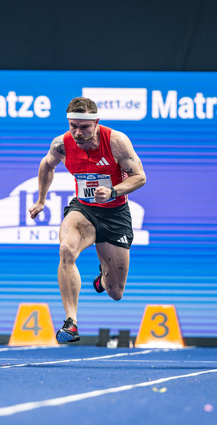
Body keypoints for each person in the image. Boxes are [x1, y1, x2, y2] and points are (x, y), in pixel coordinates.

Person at [28, 97, 147, 343]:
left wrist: (113, 191)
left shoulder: (116, 142)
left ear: (96, 122)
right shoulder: (61, 144)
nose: (78, 133)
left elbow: (140, 177)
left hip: (115, 214)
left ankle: (103, 277)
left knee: (115, 292)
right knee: (66, 250)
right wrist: (41, 200)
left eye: (84, 127)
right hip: (84, 210)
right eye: (73, 126)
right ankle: (71, 323)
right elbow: (45, 166)